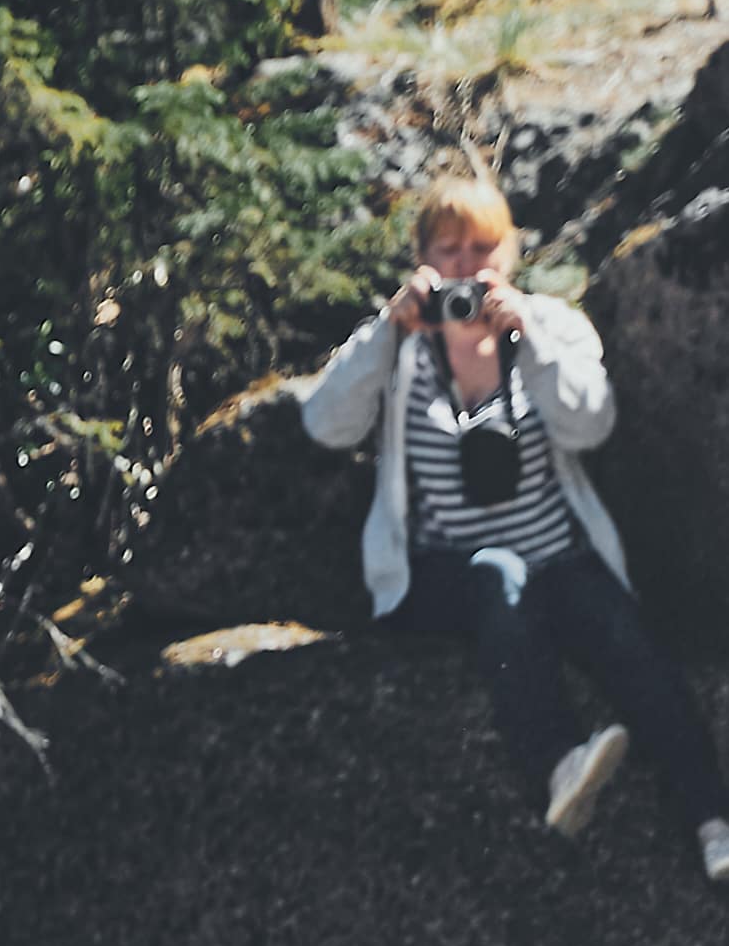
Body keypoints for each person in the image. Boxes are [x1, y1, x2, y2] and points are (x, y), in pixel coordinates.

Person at [298, 159, 729, 889]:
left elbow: (589, 425)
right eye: (447, 251)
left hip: (556, 556)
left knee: (632, 645)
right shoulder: (400, 343)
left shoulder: (551, 326)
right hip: (445, 571)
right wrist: (383, 331)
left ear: (509, 253)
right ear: (422, 261)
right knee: (497, 576)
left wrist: (525, 337)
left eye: (480, 250)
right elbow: (324, 426)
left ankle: (711, 820)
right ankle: (557, 762)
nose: (466, 267)